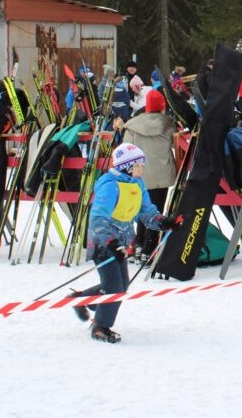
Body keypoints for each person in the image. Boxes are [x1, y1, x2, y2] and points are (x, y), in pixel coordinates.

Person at [72, 143, 181, 343]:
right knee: (115, 287)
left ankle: (82, 299)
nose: (141, 169)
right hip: (103, 243)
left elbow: (146, 211)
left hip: (121, 241)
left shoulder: (137, 184)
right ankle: (100, 327)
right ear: (127, 166)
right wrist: (111, 243)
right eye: (138, 165)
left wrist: (163, 222)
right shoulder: (110, 186)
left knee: (120, 285)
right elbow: (98, 219)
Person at [120, 89, 177, 260]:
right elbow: (177, 144)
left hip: (140, 175)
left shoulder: (132, 125)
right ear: (162, 107)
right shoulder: (168, 124)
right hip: (161, 176)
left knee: (143, 209)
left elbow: (126, 146)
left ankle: (139, 245)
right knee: (155, 211)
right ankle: (149, 249)